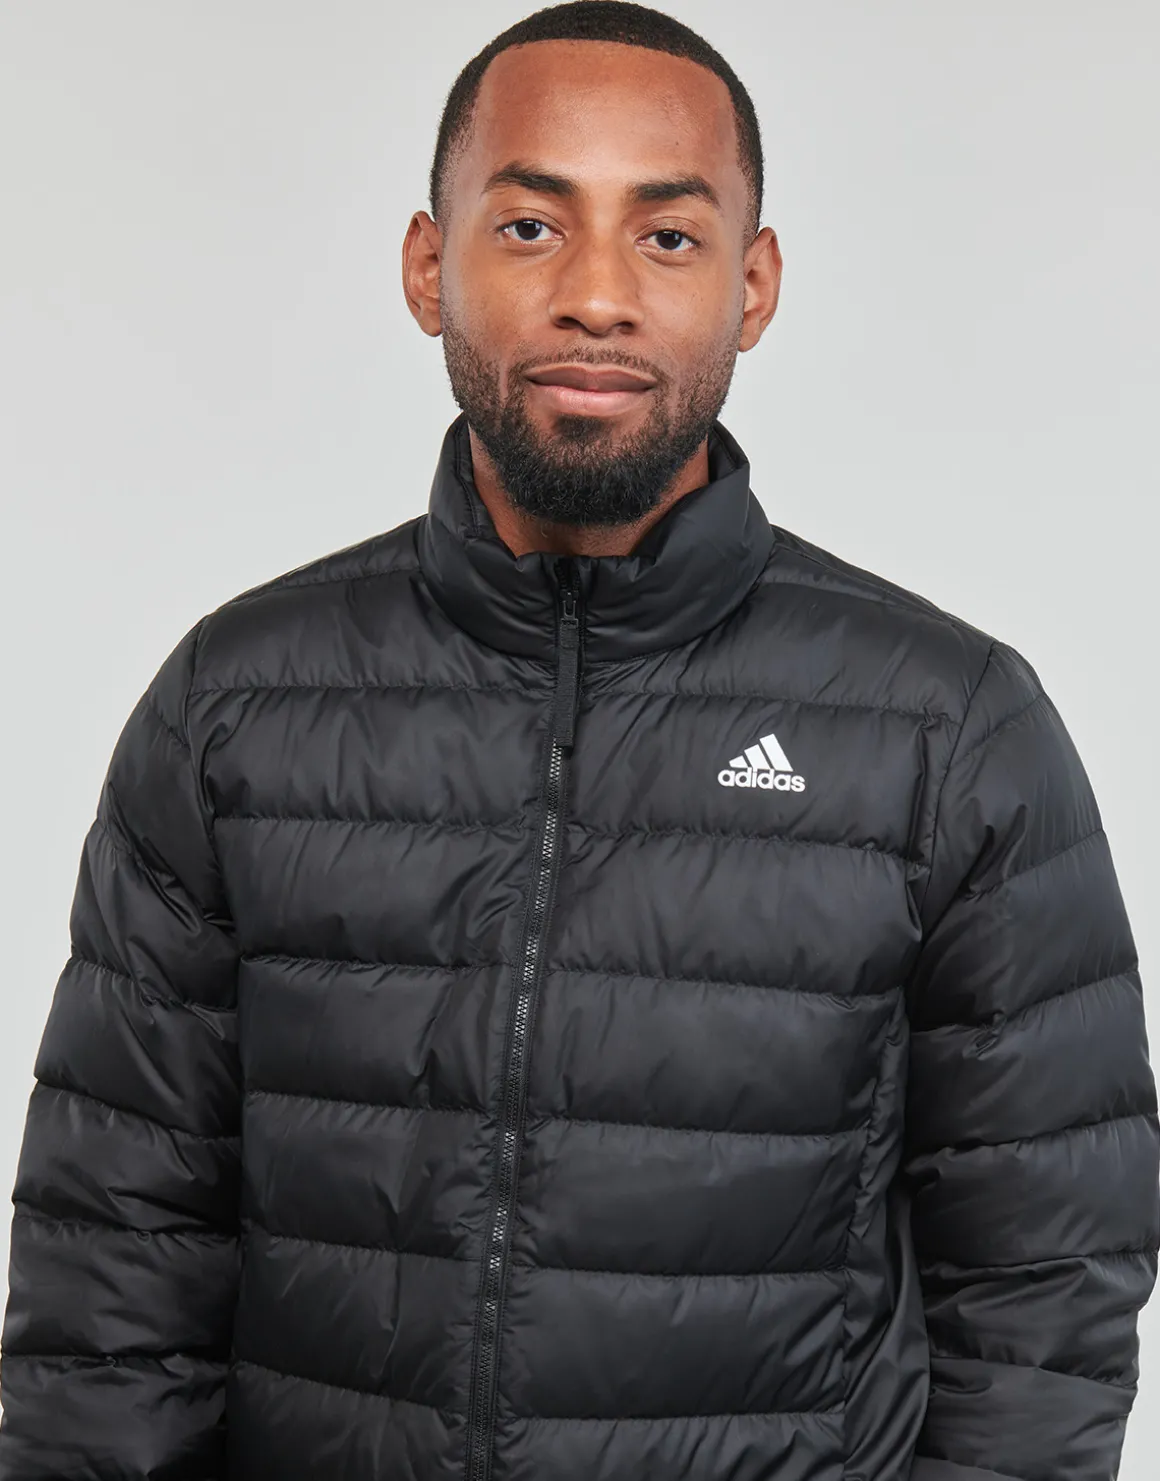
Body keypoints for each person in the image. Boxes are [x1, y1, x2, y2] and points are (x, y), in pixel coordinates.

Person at [1, 2, 1157, 1477]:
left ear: (753, 285)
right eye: (532, 227)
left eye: (667, 237)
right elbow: (111, 1275)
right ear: (430, 267)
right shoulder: (235, 704)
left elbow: (1046, 1303)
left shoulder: (950, 730)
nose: (597, 296)